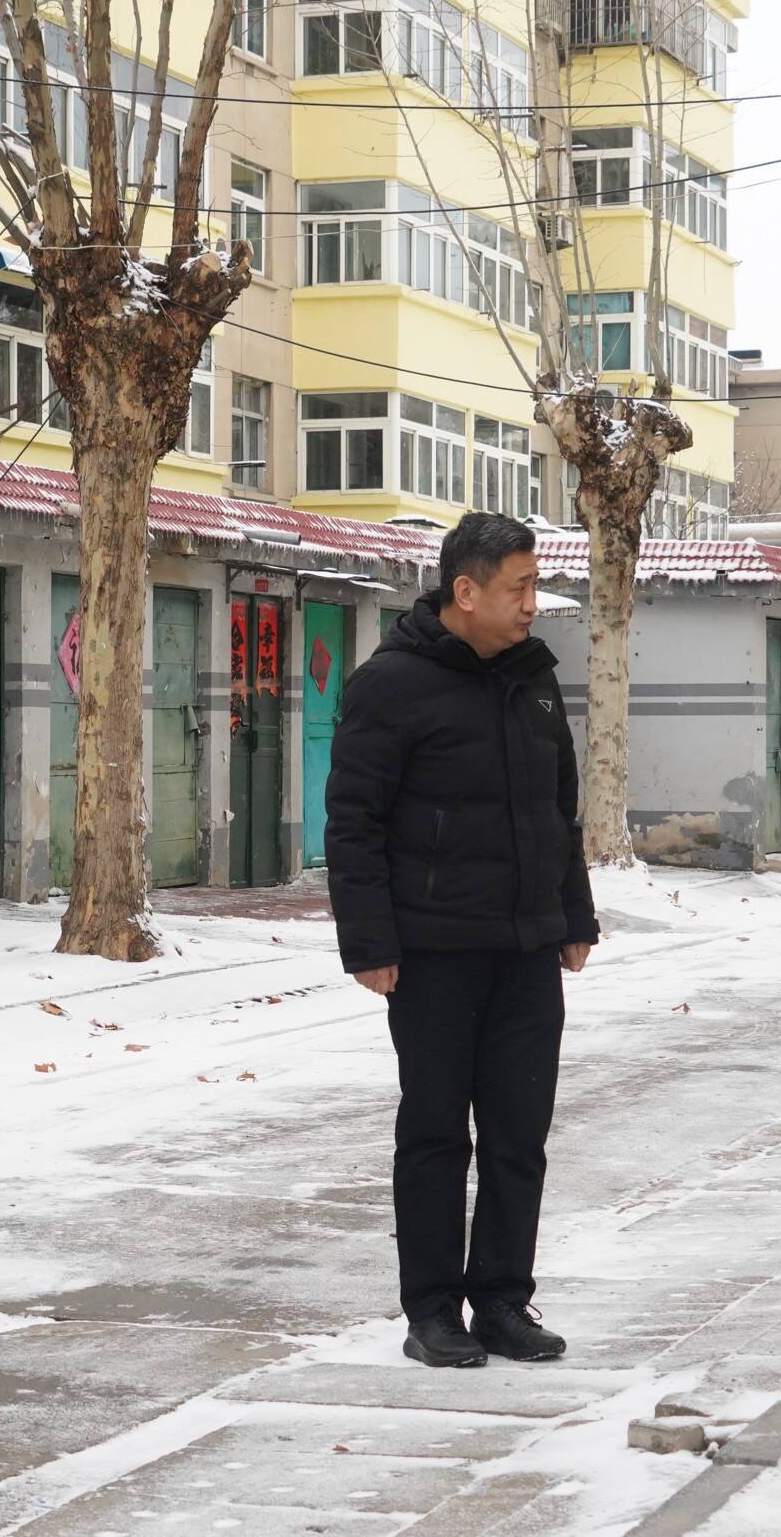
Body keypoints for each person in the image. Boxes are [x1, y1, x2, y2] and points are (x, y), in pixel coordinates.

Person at [325, 513, 600, 1370]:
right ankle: (433, 1309)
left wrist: (573, 914)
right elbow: (353, 821)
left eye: (534, 585)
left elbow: (558, 808)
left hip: (525, 949)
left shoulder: (533, 677)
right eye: (519, 587)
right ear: (466, 590)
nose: (531, 603)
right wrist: (368, 940)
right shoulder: (390, 683)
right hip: (433, 950)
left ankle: (503, 1300)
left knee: (519, 1133)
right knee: (436, 1133)